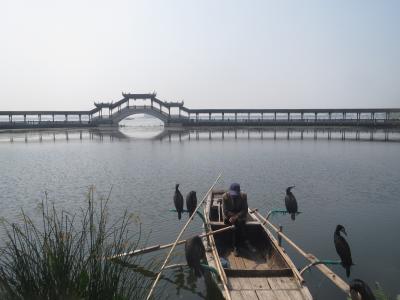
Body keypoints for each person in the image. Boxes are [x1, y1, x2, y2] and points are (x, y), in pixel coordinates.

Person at [223, 183, 253, 256]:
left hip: (239, 216)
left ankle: (236, 246)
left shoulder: (243, 196)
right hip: (229, 216)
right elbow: (225, 211)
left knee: (239, 224)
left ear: (239, 192)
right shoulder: (225, 196)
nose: (234, 196)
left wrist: (236, 217)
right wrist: (232, 217)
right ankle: (237, 245)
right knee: (235, 225)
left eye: (235, 194)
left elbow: (245, 210)